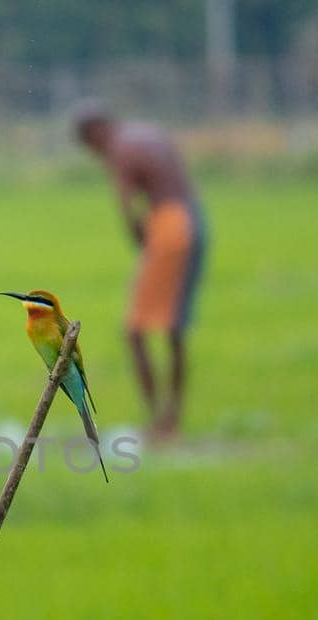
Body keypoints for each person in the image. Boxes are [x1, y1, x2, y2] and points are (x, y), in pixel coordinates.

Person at [71, 100, 208, 442]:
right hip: (192, 217)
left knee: (136, 329)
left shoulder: (119, 148)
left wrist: (142, 241)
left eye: (91, 147)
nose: (96, 155)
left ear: (96, 133)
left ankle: (160, 423)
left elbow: (127, 206)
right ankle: (169, 419)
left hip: (169, 226)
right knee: (173, 327)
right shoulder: (146, 133)